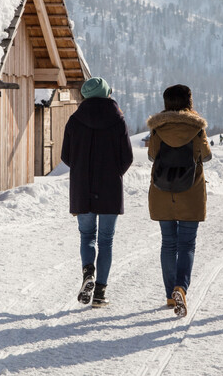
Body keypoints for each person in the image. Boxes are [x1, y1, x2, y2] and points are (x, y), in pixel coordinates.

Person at [62, 77, 134, 308]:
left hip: (82, 187)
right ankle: (100, 293)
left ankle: (88, 274)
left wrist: (82, 169)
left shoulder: (75, 120)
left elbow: (66, 156)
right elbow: (127, 157)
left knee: (86, 236)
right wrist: (114, 174)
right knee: (106, 240)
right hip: (110, 188)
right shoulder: (118, 120)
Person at [146, 84, 211, 317]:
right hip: (191, 192)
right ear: (189, 101)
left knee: (168, 243)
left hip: (163, 192)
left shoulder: (157, 128)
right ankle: (180, 288)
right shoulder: (197, 128)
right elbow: (206, 155)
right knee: (186, 244)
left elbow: (152, 155)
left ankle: (169, 295)